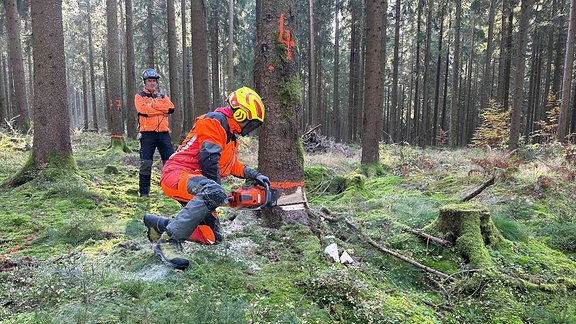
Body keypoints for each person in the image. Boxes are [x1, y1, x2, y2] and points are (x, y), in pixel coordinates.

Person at [143, 86, 270, 270]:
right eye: (250, 122)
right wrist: (218, 193)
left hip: (197, 181)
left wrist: (254, 174)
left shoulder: (231, 137)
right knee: (213, 191)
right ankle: (169, 242)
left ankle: (159, 225)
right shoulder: (215, 121)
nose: (250, 128)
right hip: (177, 174)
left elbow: (230, 164)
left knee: (212, 237)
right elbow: (208, 159)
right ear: (241, 114)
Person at [135, 68, 175, 197]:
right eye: (149, 81)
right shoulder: (139, 96)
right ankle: (144, 192)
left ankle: (173, 190)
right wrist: (161, 110)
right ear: (145, 82)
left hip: (164, 133)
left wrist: (153, 106)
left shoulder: (163, 96)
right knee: (146, 163)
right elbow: (143, 110)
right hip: (147, 134)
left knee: (170, 162)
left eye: (154, 81)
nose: (152, 83)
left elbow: (171, 108)